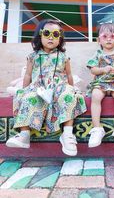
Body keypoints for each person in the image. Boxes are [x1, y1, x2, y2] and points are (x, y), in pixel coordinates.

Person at [6, 19, 87, 156]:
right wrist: (25, 89)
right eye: (47, 33)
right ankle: (24, 134)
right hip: (39, 87)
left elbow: (69, 75)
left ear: (60, 38)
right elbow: (27, 75)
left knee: (68, 97)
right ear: (40, 35)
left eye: (56, 34)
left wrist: (71, 88)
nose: (51, 37)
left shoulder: (63, 57)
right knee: (27, 98)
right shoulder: (33, 56)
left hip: (59, 86)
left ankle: (67, 134)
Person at [86, 23, 114, 148]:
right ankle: (97, 128)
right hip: (101, 82)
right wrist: (103, 70)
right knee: (95, 95)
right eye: (105, 36)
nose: (109, 39)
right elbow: (93, 70)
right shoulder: (98, 54)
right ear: (99, 40)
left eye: (112, 36)